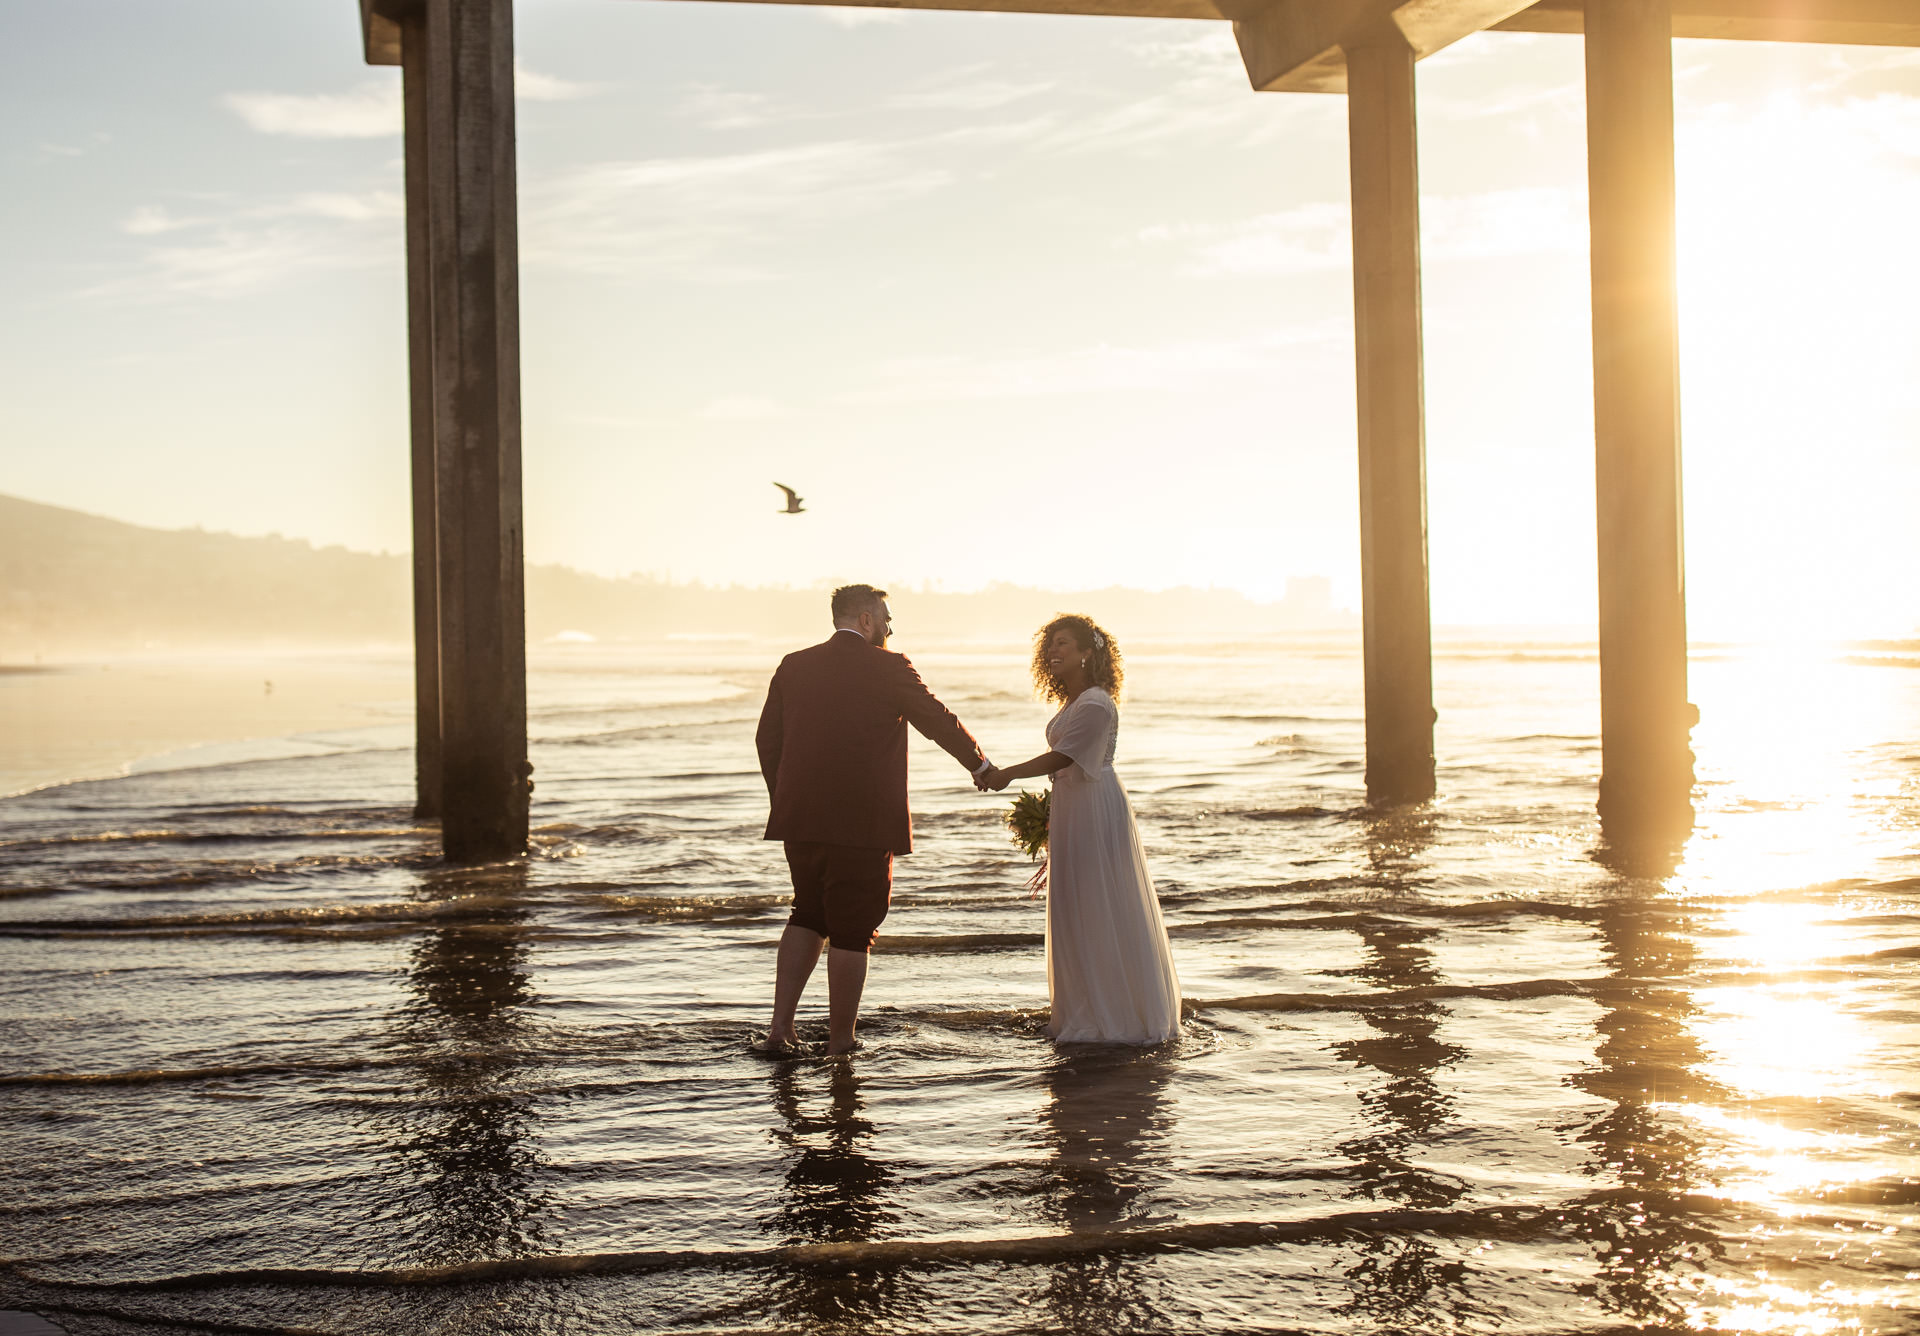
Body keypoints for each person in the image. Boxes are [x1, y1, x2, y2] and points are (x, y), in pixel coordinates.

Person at [755, 584, 994, 1057]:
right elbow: (937, 719)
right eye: (885, 617)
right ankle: (841, 1042)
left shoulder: (793, 664)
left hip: (799, 820)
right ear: (865, 620)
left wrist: (786, 800)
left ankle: (780, 1031)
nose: (890, 627)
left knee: (807, 913)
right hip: (862, 824)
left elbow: (767, 740)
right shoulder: (890, 667)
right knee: (852, 928)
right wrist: (981, 766)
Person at [982, 616, 1181, 1045]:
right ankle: (1082, 1008)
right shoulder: (1077, 702)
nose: (1054, 651)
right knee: (1077, 904)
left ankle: (1115, 1017)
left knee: (1098, 904)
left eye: (1063, 644)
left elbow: (1065, 758)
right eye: (1050, 644)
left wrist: (1007, 775)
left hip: (1094, 806)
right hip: (1075, 806)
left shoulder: (1094, 702)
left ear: (1087, 652)